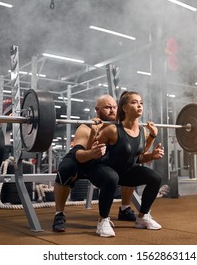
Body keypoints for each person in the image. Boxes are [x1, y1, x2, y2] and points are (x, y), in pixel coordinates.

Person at [52, 94, 141, 232]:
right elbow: (80, 156)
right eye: (107, 107)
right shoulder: (86, 127)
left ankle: (124, 209)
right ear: (97, 109)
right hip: (82, 161)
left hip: (100, 164)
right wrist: (92, 152)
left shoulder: (120, 127)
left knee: (130, 164)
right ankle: (59, 214)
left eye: (114, 107)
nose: (112, 110)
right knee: (66, 168)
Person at [87, 91, 164, 237]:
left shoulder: (142, 131)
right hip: (101, 170)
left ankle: (142, 217)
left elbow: (138, 156)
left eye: (141, 102)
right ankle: (103, 220)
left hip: (124, 172)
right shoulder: (112, 130)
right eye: (134, 102)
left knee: (155, 177)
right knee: (112, 177)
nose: (139, 105)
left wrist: (152, 145)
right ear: (124, 108)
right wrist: (94, 133)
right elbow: (91, 151)